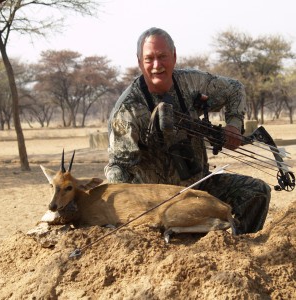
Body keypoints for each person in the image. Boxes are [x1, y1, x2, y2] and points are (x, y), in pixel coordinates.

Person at [104, 27, 270, 234]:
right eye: (149, 59)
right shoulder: (126, 110)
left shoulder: (191, 82)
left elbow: (235, 89)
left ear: (174, 56)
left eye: (162, 56)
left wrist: (234, 125)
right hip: (157, 203)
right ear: (139, 62)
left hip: (200, 186)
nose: (157, 65)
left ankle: (238, 248)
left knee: (257, 192)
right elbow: (119, 168)